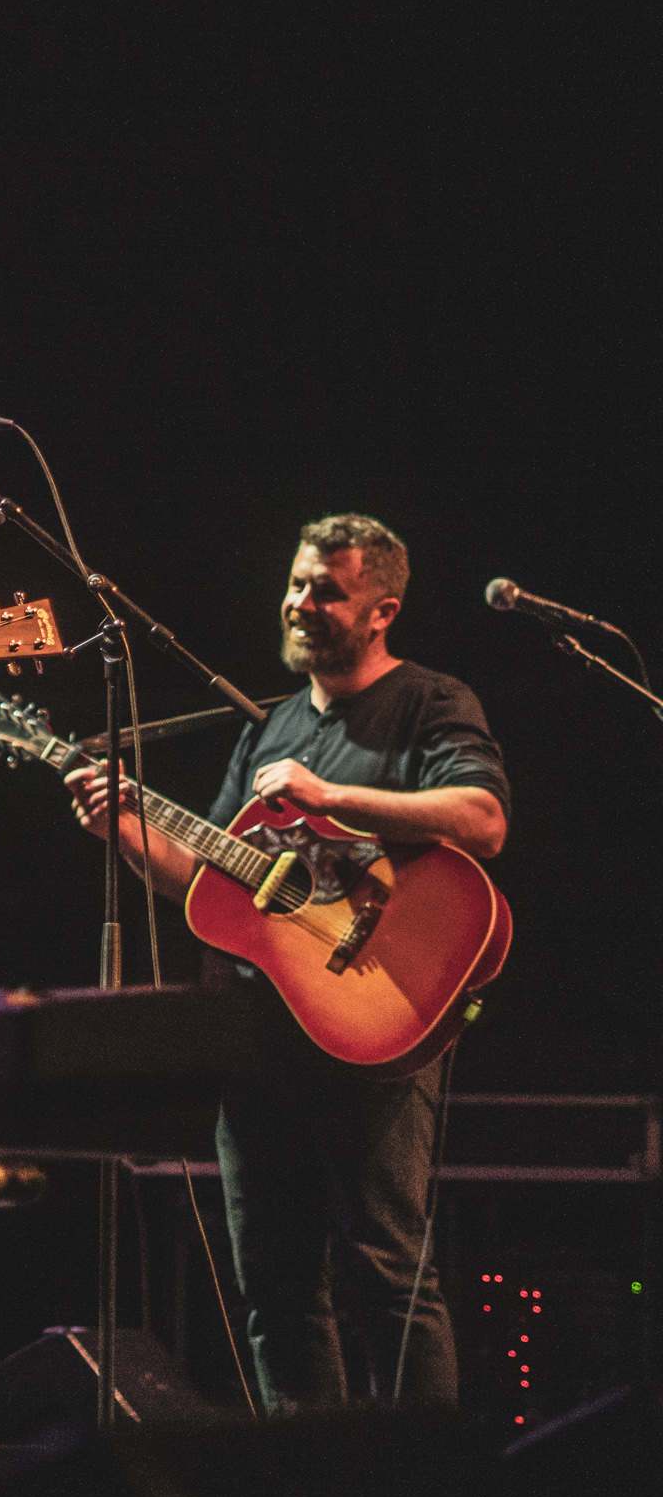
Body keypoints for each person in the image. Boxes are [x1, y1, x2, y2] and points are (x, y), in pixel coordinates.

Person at [63, 514, 509, 1412]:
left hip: (379, 1012)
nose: (301, 603)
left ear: (381, 611)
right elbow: (210, 879)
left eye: (326, 590)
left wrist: (330, 793)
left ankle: (425, 1481)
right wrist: (124, 828)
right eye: (298, 583)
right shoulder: (268, 729)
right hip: (261, 1031)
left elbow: (483, 821)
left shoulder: (430, 700)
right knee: (273, 1289)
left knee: (386, 1271)